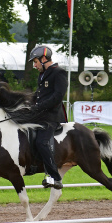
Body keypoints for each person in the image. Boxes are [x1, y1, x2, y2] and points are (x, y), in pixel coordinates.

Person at [29, 45, 68, 190]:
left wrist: (38, 107)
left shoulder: (59, 73)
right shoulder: (42, 74)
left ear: (44, 58)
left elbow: (57, 97)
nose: (34, 65)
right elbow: (39, 95)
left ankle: (55, 178)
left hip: (51, 116)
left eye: (35, 62)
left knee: (41, 142)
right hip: (39, 114)